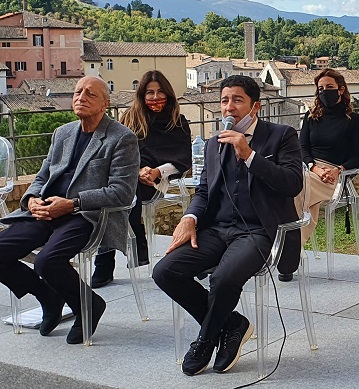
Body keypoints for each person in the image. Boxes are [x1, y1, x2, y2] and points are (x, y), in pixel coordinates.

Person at [152, 75, 303, 376]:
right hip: (218, 228)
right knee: (165, 271)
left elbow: (292, 183)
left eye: (237, 100)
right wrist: (189, 218)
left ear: (255, 106)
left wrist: (249, 155)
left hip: (260, 230)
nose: (229, 107)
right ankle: (232, 324)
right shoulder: (211, 144)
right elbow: (205, 193)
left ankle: (205, 339)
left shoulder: (281, 136)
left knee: (222, 278)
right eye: (224, 101)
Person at [0, 76, 139, 344]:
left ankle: (87, 306)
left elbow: (122, 192)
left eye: (90, 94)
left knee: (47, 261)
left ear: (105, 104)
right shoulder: (62, 133)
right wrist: (31, 200)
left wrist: (73, 203)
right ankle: (48, 298)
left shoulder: (122, 138)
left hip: (86, 215)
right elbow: (41, 177)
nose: (81, 97)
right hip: (47, 210)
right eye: (77, 92)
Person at [91, 70, 192, 288]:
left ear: (169, 94)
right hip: (129, 177)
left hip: (157, 182)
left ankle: (104, 261)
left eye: (160, 92)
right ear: (141, 95)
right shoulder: (129, 119)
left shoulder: (178, 122)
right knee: (118, 190)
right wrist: (135, 171)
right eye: (150, 92)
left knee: (119, 193)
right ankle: (129, 246)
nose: (155, 97)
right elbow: (115, 152)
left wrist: (157, 172)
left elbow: (183, 158)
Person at [286, 68, 359, 281]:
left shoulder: (353, 119)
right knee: (300, 190)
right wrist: (314, 167)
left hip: (336, 175)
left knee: (295, 187)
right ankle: (292, 253)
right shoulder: (311, 117)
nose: (324, 91)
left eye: (329, 87)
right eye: (320, 88)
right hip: (312, 171)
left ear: (341, 90)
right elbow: (302, 148)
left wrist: (337, 170)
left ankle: (288, 251)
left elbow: (358, 157)